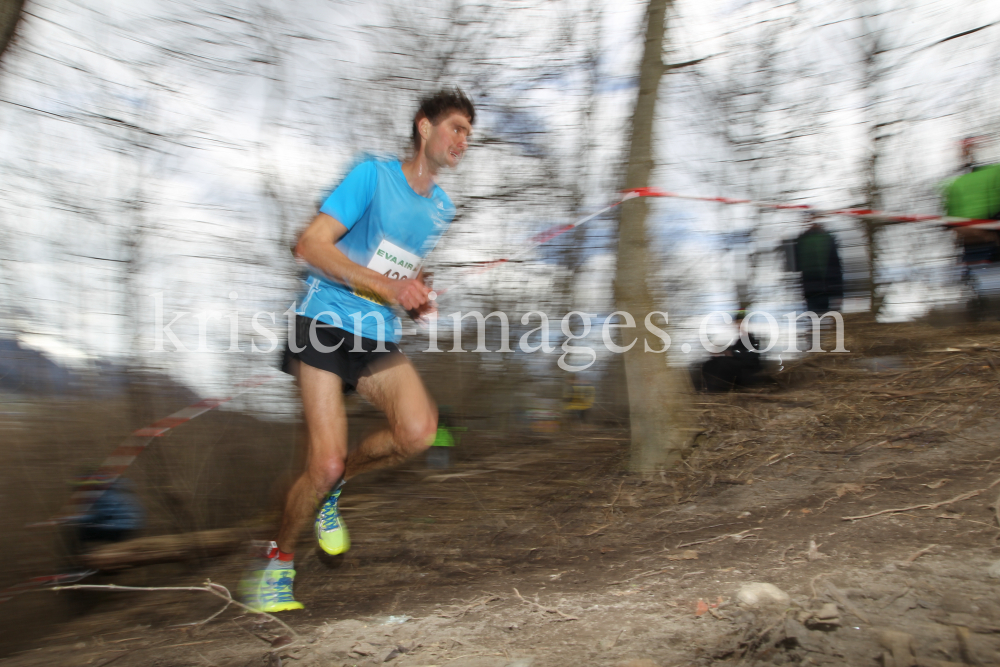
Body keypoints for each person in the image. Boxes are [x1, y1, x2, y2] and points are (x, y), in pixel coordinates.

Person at [240, 89, 475, 613]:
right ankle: (278, 562)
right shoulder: (372, 175)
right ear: (423, 128)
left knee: (417, 431)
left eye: (468, 134)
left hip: (375, 332)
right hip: (321, 321)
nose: (463, 140)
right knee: (319, 463)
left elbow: (398, 263)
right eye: (455, 127)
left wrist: (415, 291)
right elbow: (311, 245)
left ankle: (337, 487)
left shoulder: (441, 208)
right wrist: (389, 287)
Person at [794, 216, 843, 314]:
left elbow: (797, 266)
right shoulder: (827, 239)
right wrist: (839, 293)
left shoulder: (802, 240)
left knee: (815, 317)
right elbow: (836, 267)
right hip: (826, 287)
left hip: (811, 289)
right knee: (827, 318)